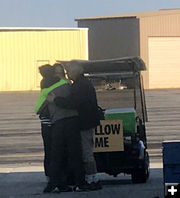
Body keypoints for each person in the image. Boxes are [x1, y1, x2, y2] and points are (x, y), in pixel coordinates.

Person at [53, 61, 102, 190]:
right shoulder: (82, 83)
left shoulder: (81, 85)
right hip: (86, 121)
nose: (67, 74)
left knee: (86, 153)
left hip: (85, 123)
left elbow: (73, 102)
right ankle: (91, 179)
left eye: (68, 71)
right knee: (86, 152)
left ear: (75, 71)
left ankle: (92, 180)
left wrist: (55, 100)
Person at [43, 64, 88, 193]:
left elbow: (40, 108)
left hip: (57, 122)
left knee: (56, 154)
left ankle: (53, 183)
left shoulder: (46, 88)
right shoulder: (69, 86)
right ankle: (80, 182)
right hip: (72, 121)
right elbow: (74, 102)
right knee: (75, 153)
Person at [35, 64, 60, 178]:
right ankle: (56, 173)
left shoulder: (43, 82)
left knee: (48, 148)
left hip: (45, 120)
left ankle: (49, 174)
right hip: (54, 118)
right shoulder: (57, 82)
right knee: (56, 148)